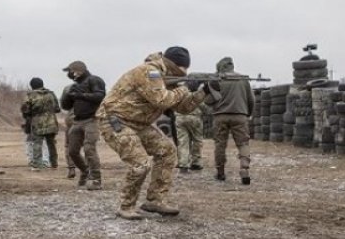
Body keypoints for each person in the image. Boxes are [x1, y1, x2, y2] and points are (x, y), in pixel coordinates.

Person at [96, 46, 209, 220]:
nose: (184, 74)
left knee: (167, 151)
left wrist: (204, 92)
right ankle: (126, 206)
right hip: (116, 120)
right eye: (182, 70)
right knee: (140, 163)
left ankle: (155, 200)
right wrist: (186, 87)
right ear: (172, 66)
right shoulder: (149, 72)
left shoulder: (168, 78)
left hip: (139, 123)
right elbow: (162, 100)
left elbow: (183, 107)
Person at [205, 56, 255, 184]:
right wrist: (248, 113)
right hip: (240, 115)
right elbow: (251, 99)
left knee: (220, 144)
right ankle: (244, 169)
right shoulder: (243, 79)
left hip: (220, 116)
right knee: (243, 143)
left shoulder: (217, 80)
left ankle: (220, 173)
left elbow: (208, 101)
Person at [60, 60, 106, 190]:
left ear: (78, 70)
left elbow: (100, 96)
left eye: (71, 71)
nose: (70, 74)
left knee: (89, 149)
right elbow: (66, 106)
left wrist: (81, 95)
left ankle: (96, 179)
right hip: (77, 121)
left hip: (92, 119)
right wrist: (68, 96)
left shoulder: (94, 80)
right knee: (72, 151)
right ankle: (85, 171)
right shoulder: (74, 85)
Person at [21, 77, 61, 170]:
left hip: (37, 123)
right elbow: (57, 109)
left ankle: (36, 165)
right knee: (51, 144)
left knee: (37, 144)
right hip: (52, 123)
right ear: (42, 84)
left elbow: (25, 110)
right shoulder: (51, 94)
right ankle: (54, 164)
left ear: (32, 86)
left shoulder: (30, 95)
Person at [175, 102, 205, 172]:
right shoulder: (196, 92)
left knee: (182, 141)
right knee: (197, 140)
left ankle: (183, 164)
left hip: (180, 117)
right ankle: (196, 163)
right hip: (194, 116)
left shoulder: (179, 91)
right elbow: (203, 106)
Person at [60, 85, 78, 179]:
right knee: (89, 146)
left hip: (72, 118)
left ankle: (71, 168)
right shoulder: (93, 86)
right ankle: (90, 169)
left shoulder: (68, 88)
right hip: (89, 119)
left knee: (69, 145)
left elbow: (63, 104)